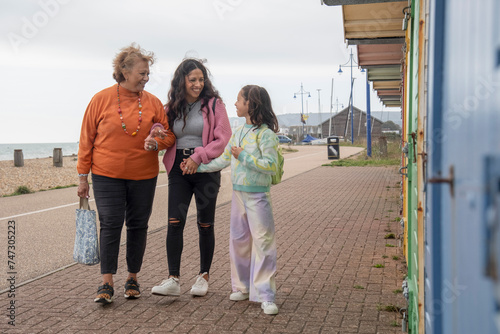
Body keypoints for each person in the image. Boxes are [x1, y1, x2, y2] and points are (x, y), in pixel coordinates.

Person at [77, 44, 175, 304]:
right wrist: (82, 176)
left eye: (147, 74)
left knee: (138, 225)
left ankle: (132, 278)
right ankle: (106, 282)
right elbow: (86, 138)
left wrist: (158, 142)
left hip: (144, 175)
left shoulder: (153, 102)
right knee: (110, 224)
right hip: (106, 174)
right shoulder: (101, 99)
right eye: (142, 73)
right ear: (124, 71)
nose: (146, 78)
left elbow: (169, 135)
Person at [148, 58, 231, 297]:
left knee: (205, 224)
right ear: (181, 80)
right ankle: (173, 279)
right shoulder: (172, 106)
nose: (197, 84)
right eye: (192, 79)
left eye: (201, 79)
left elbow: (223, 139)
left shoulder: (215, 104)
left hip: (206, 170)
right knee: (175, 222)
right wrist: (156, 130)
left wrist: (198, 156)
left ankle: (203, 276)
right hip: (178, 170)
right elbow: (160, 126)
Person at [196, 85, 280, 315]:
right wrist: (197, 168)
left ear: (251, 104)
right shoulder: (239, 131)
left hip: (258, 195)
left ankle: (265, 294)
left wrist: (243, 155)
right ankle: (241, 287)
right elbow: (223, 159)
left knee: (263, 243)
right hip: (238, 195)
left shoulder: (266, 135)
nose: (235, 104)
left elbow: (271, 166)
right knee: (238, 241)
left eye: (239, 100)